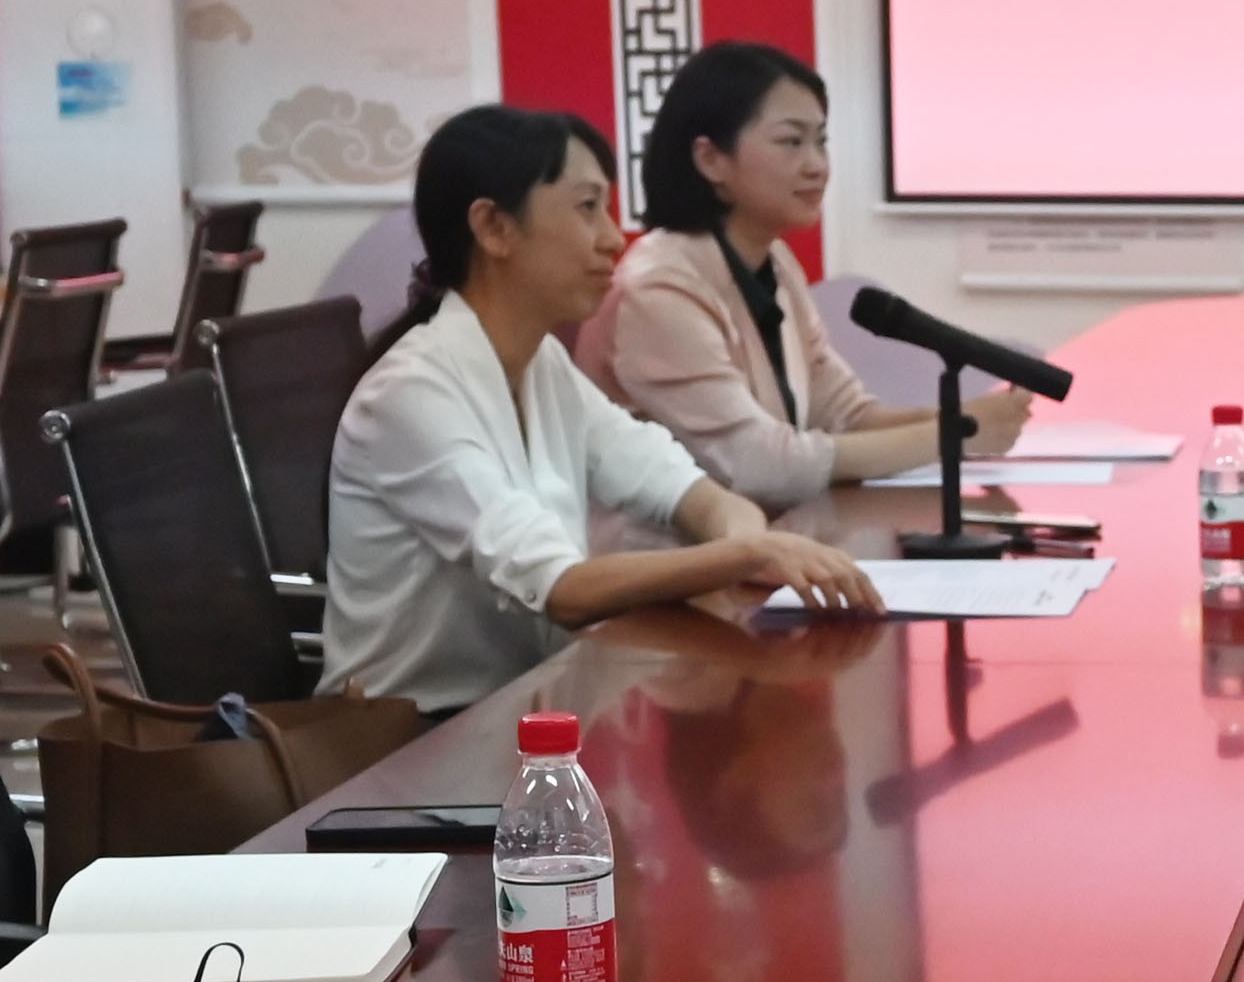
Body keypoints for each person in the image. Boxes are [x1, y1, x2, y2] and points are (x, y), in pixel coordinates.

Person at [329, 104, 883, 713]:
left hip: (523, 708)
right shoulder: (410, 394)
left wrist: (741, 539)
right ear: (494, 227)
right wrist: (748, 553)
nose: (614, 239)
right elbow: (562, 590)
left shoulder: (542, 364)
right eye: (587, 207)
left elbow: (682, 488)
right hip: (414, 738)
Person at [595, 41, 1017, 500]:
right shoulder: (658, 289)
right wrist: (952, 435)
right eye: (791, 142)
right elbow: (757, 463)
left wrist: (961, 420)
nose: (817, 166)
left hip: (768, 533)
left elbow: (845, 416)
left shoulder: (775, 262)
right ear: (711, 159)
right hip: (662, 544)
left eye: (821, 141)